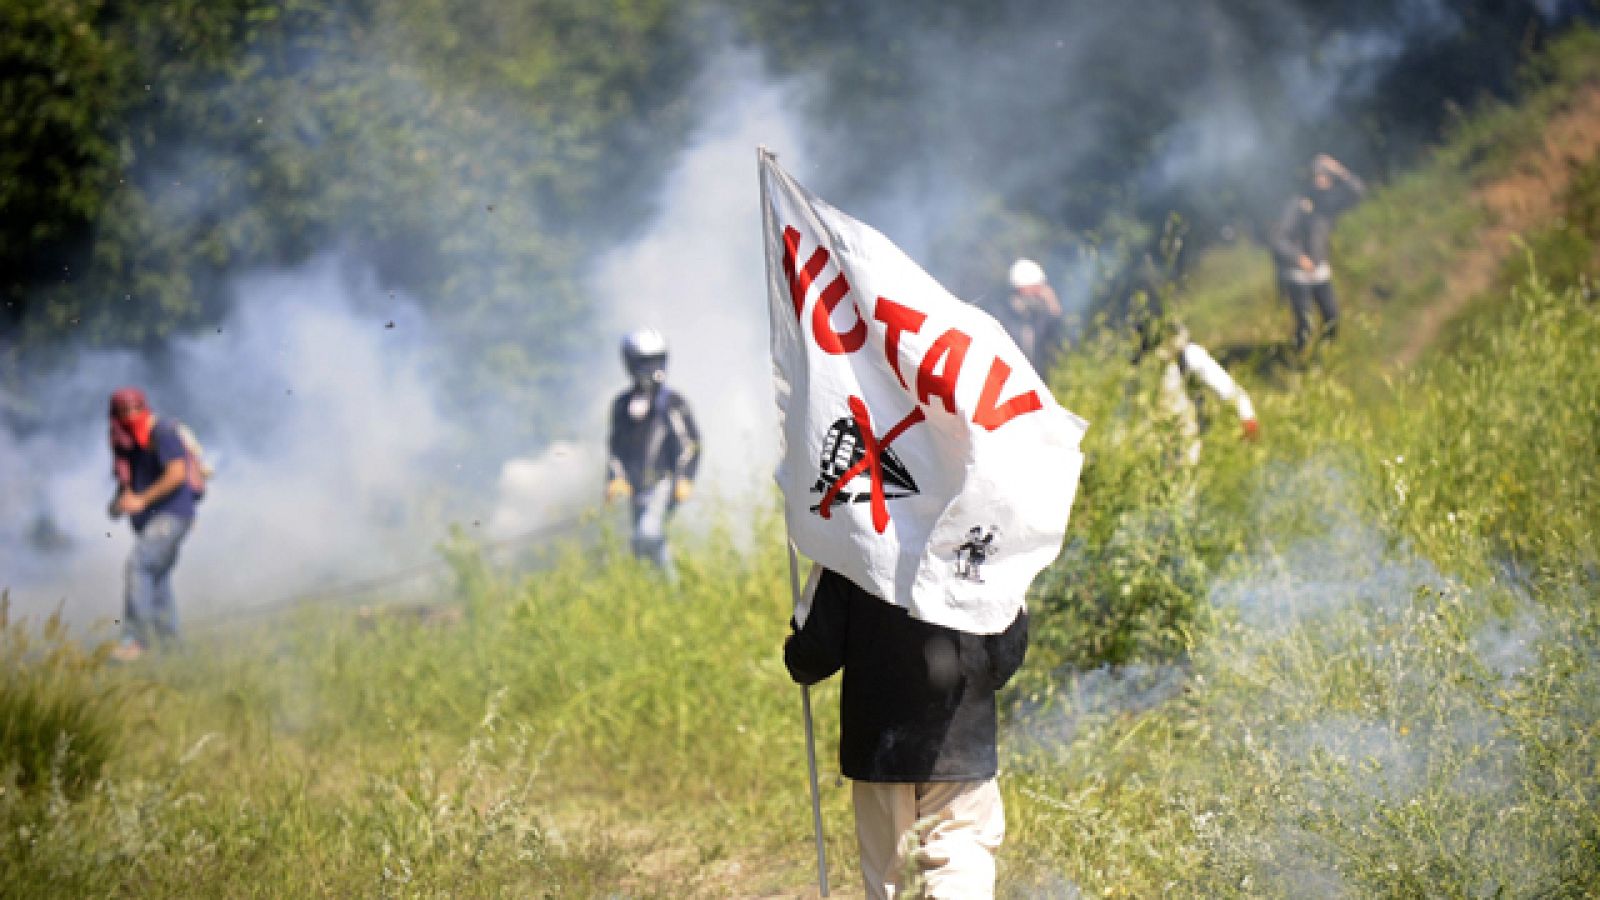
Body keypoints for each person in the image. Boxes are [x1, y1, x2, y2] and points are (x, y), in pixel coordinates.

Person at [784, 567, 1029, 899]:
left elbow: (810, 658)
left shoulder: (850, 535)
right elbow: (1007, 650)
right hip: (962, 743)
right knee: (960, 866)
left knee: (893, 883)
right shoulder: (980, 528)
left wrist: (796, 647)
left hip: (878, 747)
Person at [107, 387, 199, 661]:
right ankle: (173, 650)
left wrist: (142, 500)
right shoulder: (128, 443)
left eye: (135, 408)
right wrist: (119, 504)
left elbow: (177, 473)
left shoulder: (162, 432)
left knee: (139, 565)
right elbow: (129, 487)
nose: (130, 415)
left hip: (173, 514)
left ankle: (135, 640)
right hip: (159, 519)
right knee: (157, 580)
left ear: (144, 406)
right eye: (124, 411)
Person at [604, 328, 700, 573]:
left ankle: (673, 594)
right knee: (638, 547)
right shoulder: (621, 405)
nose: (652, 368)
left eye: (656, 360)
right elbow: (615, 449)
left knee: (647, 534)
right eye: (645, 362)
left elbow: (690, 444)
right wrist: (616, 479)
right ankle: (654, 594)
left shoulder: (673, 402)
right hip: (636, 489)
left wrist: (685, 478)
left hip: (663, 484)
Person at [1270, 153, 1366, 354]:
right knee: (1306, 324)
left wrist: (1339, 169)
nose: (1322, 179)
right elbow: (1278, 240)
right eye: (1318, 175)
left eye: (1326, 175)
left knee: (1332, 318)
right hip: (1298, 276)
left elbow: (1358, 193)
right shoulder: (1296, 204)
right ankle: (1296, 361)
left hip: (1320, 271)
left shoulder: (1328, 203)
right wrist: (1298, 258)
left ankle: (1323, 357)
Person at [1137, 317, 1259, 466]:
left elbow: (1230, 391)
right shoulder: (1143, 366)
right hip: (1154, 447)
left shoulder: (1189, 355)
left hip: (1183, 443)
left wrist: (1248, 420)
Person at [999, 258, 1065, 375]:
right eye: (1036, 288)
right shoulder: (1003, 315)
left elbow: (1061, 340)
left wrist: (1053, 304)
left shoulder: (1040, 317)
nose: (1040, 293)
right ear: (1022, 288)